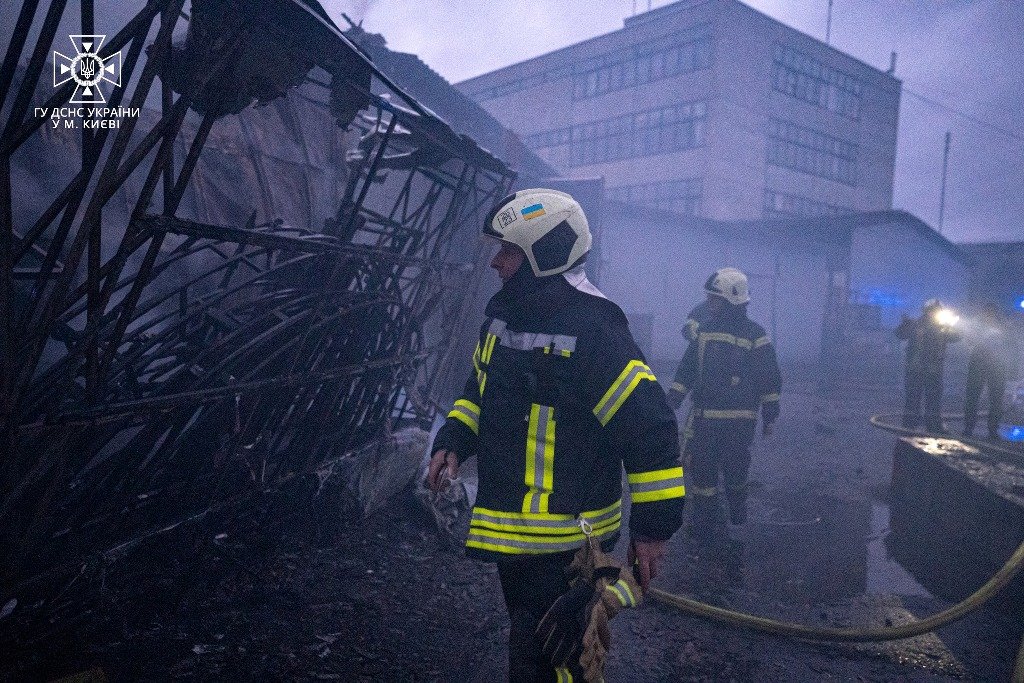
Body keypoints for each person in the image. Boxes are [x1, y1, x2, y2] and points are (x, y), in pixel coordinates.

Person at [426, 189, 684, 681]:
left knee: (548, 661)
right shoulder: (502, 319)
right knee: (539, 652)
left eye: (508, 251)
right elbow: (478, 390)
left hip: (567, 545)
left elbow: (649, 428)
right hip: (517, 538)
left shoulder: (596, 331)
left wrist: (652, 529)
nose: (496, 263)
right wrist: (454, 438)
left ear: (544, 255)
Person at [667, 267, 781, 539]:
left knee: (736, 470)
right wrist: (673, 398)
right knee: (702, 472)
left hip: (738, 421)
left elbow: (769, 376)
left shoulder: (755, 335)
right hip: (708, 418)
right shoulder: (705, 332)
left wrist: (770, 412)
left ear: (731, 299)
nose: (708, 303)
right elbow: (688, 368)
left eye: (713, 298)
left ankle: (737, 518)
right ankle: (704, 525)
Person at [895, 299, 961, 432]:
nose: (934, 313)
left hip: (933, 370)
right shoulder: (915, 324)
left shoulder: (942, 327)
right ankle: (909, 426)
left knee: (933, 400)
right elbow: (900, 334)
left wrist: (950, 326)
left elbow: (957, 337)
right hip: (917, 369)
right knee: (913, 399)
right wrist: (904, 325)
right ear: (926, 311)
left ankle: (933, 425)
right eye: (933, 310)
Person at [964, 303, 1020, 439]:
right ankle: (969, 428)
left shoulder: (1003, 326)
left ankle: (992, 429)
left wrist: (1012, 366)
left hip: (996, 366)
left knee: (995, 399)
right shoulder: (977, 326)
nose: (989, 315)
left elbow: (1012, 345)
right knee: (973, 398)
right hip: (980, 365)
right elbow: (968, 340)